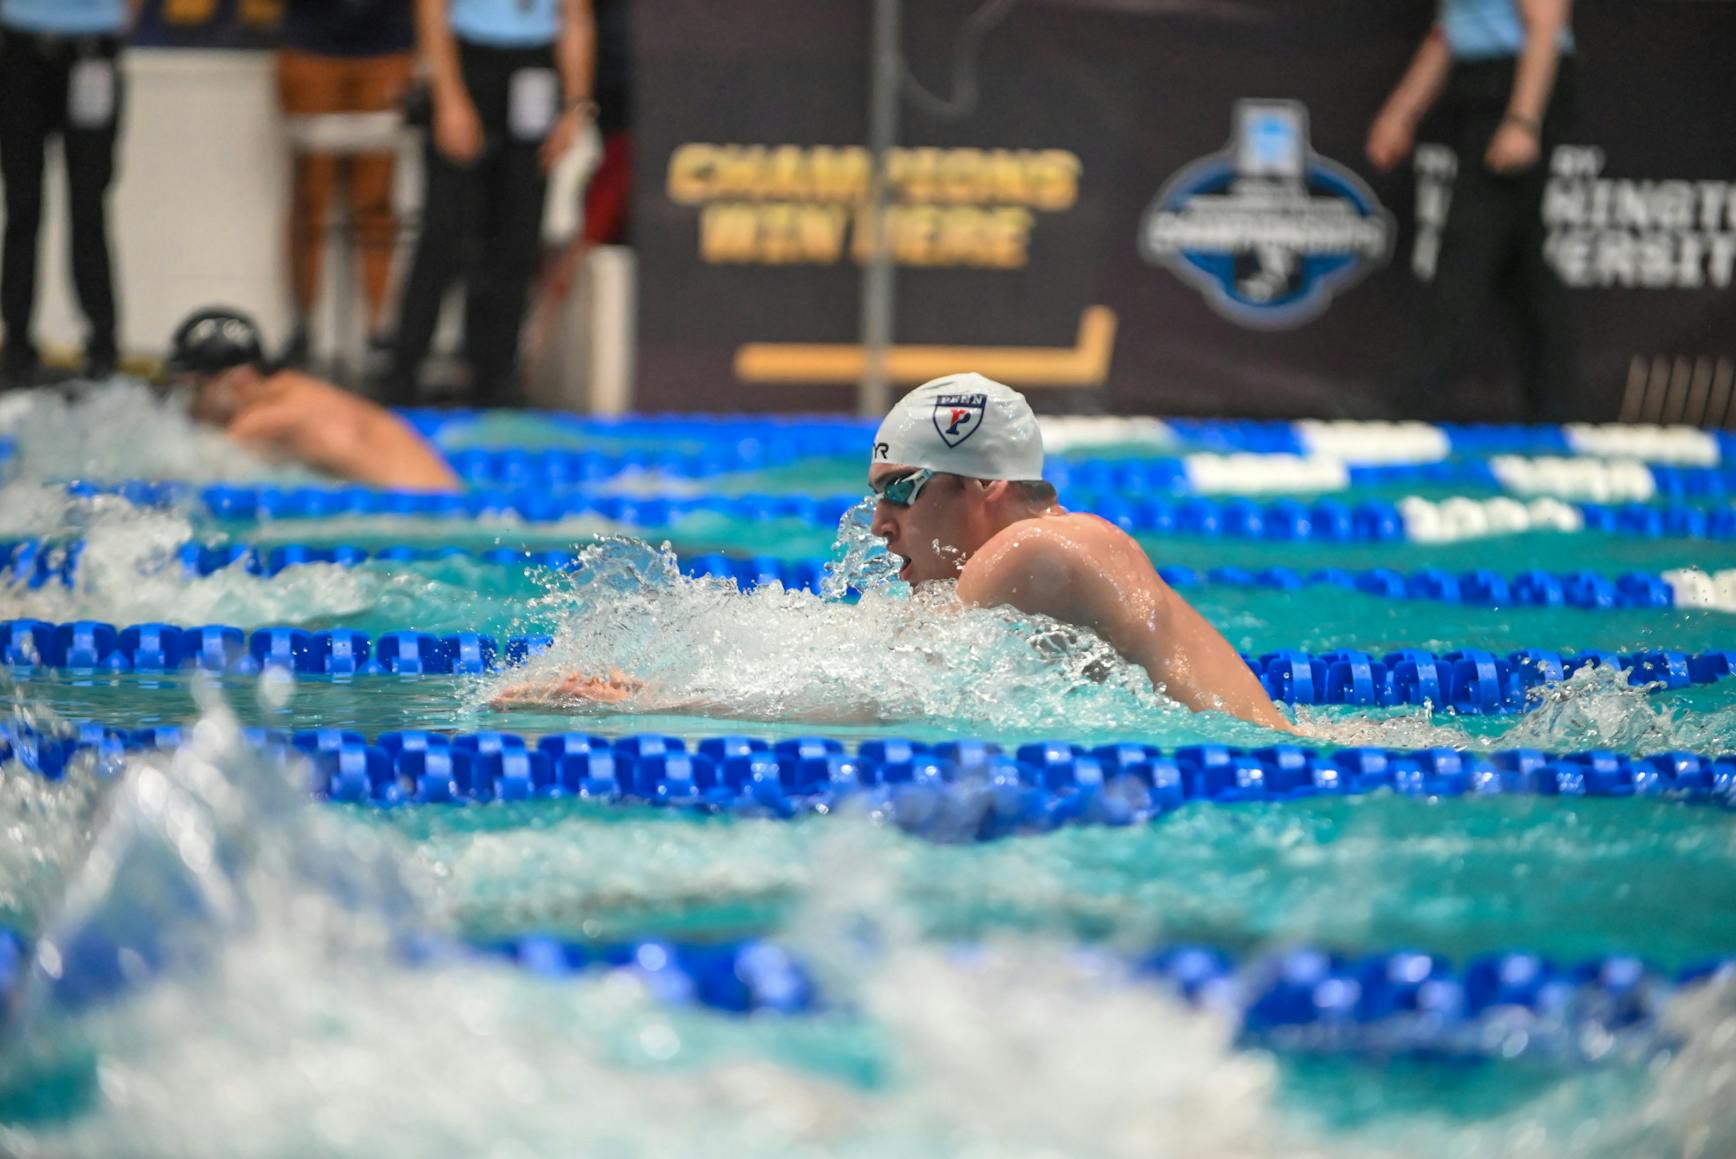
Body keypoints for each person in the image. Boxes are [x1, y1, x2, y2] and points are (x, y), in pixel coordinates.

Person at [494, 373, 1295, 732]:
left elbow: (888, 696)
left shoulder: (1030, 551)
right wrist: (658, 685)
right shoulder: (1051, 559)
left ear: (984, 484)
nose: (879, 522)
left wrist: (647, 707)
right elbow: (860, 660)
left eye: (902, 490)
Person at [1366, 0, 1577, 421]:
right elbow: (1449, 31)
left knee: (1467, 244)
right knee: (1524, 262)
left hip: (1520, 87)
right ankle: (1555, 406)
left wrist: (1523, 121)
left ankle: (1411, 403)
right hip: (1479, 85)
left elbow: (1546, 21)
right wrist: (1400, 113)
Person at [387, 0, 596, 407]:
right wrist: (448, 96)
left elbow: (576, 18)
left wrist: (575, 108)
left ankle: (495, 373)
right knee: (445, 231)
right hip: (467, 61)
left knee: (519, 233)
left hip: (535, 68)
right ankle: (406, 368)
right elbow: (431, 9)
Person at [163, 307, 458, 491]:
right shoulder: (294, 386)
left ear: (238, 380)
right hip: (442, 496)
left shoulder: (267, 421)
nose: (188, 408)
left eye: (195, 390)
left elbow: (191, 475)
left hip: (421, 513)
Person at [0, 0, 137, 387]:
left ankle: (103, 347)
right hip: (20, 46)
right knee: (22, 206)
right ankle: (16, 344)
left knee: (89, 208)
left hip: (92, 48)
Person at [275, 0, 418, 367]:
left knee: (377, 201)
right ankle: (303, 327)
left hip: (387, 44)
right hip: (311, 43)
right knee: (309, 200)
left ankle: (379, 330)